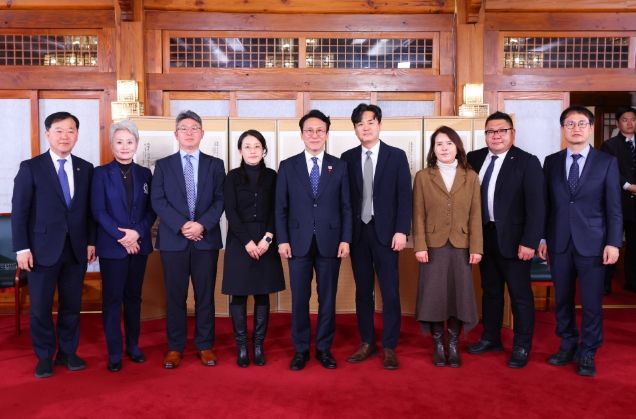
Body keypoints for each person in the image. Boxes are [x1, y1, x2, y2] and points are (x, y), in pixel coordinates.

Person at [539, 105, 622, 377]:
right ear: (563, 129)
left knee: (591, 302)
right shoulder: (551, 162)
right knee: (562, 300)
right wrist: (543, 237)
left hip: (594, 244)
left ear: (591, 128)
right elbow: (546, 205)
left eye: (582, 123)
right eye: (570, 124)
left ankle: (588, 350)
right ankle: (567, 345)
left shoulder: (606, 162)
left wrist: (613, 242)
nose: (576, 128)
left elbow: (614, 207)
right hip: (559, 242)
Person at [12, 111, 96, 378]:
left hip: (75, 249)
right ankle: (45, 355)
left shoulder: (86, 168)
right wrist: (22, 248)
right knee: (40, 307)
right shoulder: (31, 167)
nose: (64, 136)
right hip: (40, 250)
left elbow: (89, 211)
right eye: (59, 131)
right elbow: (20, 211)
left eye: (70, 131)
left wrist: (91, 241)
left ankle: (68, 353)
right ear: (48, 134)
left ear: (77, 135)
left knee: (71, 305)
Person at [465, 111, 545, 369]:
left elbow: (537, 206)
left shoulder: (527, 161)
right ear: (485, 135)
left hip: (515, 240)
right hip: (484, 237)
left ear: (512, 133)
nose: (496, 135)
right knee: (490, 291)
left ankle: (522, 345)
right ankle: (491, 337)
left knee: (520, 295)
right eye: (491, 131)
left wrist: (530, 241)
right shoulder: (474, 158)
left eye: (502, 130)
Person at [275, 109, 352, 371]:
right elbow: (280, 207)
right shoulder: (288, 166)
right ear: (301, 135)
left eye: (320, 130)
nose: (315, 135)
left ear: (327, 134)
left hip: (331, 242)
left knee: (327, 299)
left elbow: (347, 207)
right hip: (297, 242)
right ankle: (300, 349)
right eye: (309, 130)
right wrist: (282, 240)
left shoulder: (339, 166)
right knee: (299, 298)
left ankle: (323, 348)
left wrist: (346, 238)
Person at [151, 110, 225, 369]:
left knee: (205, 296)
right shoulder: (163, 165)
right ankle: (175, 347)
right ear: (176, 134)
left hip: (206, 239)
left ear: (202, 133)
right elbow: (157, 200)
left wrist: (201, 224)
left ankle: (205, 345)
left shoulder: (215, 165)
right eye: (184, 128)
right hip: (174, 240)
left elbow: (220, 199)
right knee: (175, 296)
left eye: (194, 128)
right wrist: (183, 225)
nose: (189, 132)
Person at [340, 103, 411, 370]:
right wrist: (345, 235)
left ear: (379, 124)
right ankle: (367, 342)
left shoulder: (396, 156)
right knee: (363, 291)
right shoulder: (347, 158)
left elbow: (405, 196)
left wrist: (402, 230)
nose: (365, 128)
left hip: (388, 234)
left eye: (370, 122)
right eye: (360, 124)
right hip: (359, 233)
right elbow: (345, 200)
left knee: (390, 292)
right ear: (355, 129)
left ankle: (390, 345)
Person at [412, 126, 482, 368]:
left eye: (449, 143)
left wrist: (476, 247)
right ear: (433, 149)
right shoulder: (423, 177)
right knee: (434, 295)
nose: (444, 148)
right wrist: (419, 245)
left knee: (457, 296)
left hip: (462, 245)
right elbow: (417, 214)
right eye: (439, 144)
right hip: (432, 246)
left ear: (457, 147)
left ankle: (453, 343)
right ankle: (438, 345)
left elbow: (475, 215)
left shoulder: (470, 176)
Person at [91, 120, 156, 372]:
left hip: (139, 246)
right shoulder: (100, 173)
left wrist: (137, 233)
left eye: (130, 142)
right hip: (112, 247)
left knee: (133, 298)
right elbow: (98, 211)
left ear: (137, 144)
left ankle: (134, 346)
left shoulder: (145, 174)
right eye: (119, 142)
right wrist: (123, 237)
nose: (125, 146)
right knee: (112, 300)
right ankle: (115, 352)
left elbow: (151, 210)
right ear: (112, 144)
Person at [222, 130, 285, 367]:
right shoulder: (232, 177)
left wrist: (268, 238)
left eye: (257, 146)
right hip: (240, 241)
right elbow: (231, 212)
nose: (252, 150)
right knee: (238, 295)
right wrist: (248, 242)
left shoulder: (272, 176)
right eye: (247, 146)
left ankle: (258, 345)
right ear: (240, 150)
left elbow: (277, 209)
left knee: (262, 293)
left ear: (264, 150)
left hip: (266, 240)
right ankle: (242, 347)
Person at [601, 107, 636, 294]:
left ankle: (632, 282)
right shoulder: (610, 145)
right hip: (617, 202)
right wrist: (628, 185)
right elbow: (609, 170)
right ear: (617, 123)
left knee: (634, 245)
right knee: (612, 241)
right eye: (625, 119)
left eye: (633, 119)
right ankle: (605, 283)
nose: (630, 123)